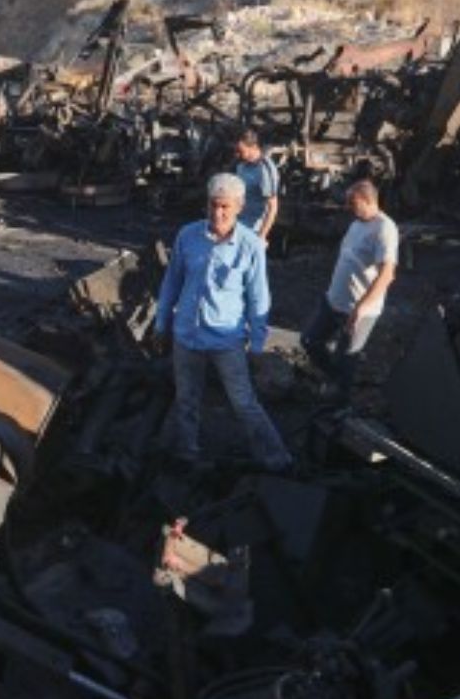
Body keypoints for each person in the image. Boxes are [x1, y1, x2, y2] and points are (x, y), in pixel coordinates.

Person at [154, 173, 293, 472]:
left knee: (243, 402)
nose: (217, 213)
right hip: (187, 335)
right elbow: (171, 282)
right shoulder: (187, 236)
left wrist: (257, 343)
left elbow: (259, 298)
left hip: (226, 340)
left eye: (225, 207)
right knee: (186, 399)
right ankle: (186, 454)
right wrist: (161, 322)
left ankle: (277, 459)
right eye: (213, 205)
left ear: (239, 207)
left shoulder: (251, 246)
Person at [300, 180, 398, 399]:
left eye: (352, 203)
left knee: (347, 357)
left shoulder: (384, 229)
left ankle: (340, 401)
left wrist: (361, 308)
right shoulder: (356, 224)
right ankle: (332, 379)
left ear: (367, 201)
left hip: (358, 309)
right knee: (310, 341)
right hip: (333, 301)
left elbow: (387, 275)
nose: (347, 207)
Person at [234, 130, 281, 241]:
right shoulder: (241, 165)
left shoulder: (265, 170)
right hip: (237, 224)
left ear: (253, 147)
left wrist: (261, 236)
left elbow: (272, 207)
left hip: (252, 229)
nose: (237, 155)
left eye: (241, 151)